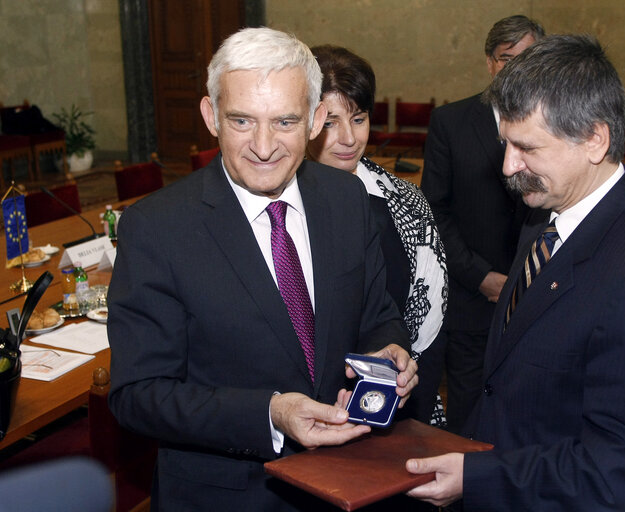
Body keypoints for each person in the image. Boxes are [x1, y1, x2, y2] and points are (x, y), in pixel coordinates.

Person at [107, 27, 417, 511]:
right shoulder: (156, 227)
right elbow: (138, 395)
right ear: (211, 116)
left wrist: (391, 350)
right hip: (227, 496)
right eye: (242, 121)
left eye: (285, 122)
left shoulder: (346, 199)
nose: (265, 145)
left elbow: (376, 313)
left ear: (316, 120)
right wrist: (270, 413)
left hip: (347, 483)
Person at [406, 34, 625, 511]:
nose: (508, 166)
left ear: (594, 140)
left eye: (527, 148)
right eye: (506, 144)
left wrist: (480, 477)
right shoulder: (543, 217)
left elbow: (622, 471)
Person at [307, 45, 448, 426]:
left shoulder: (406, 203)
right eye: (331, 122)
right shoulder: (282, 205)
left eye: (359, 118)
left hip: (398, 406)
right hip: (303, 412)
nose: (349, 138)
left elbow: (429, 319)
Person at [420, 15, 545, 433]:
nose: (516, 69)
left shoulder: (559, 125)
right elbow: (435, 211)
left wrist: (526, 277)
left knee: (528, 408)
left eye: (528, 58)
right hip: (470, 297)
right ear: (490, 63)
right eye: (507, 58)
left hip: (536, 294)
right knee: (468, 411)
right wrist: (482, 277)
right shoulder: (450, 122)